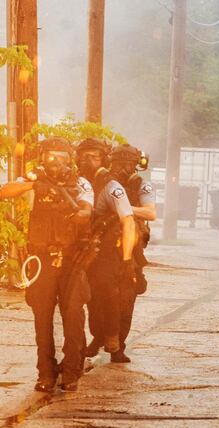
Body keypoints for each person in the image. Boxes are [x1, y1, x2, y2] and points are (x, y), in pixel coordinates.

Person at [0, 137, 93, 392]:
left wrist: (74, 211)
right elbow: (4, 191)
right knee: (42, 317)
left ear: (70, 160)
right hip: (41, 258)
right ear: (42, 158)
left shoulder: (80, 182)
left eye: (62, 157)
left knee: (73, 315)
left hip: (72, 258)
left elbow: (86, 211)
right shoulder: (33, 180)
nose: (56, 162)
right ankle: (46, 374)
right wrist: (34, 185)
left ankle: (72, 371)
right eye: (51, 156)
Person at [85, 144, 139, 359]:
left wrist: (127, 259)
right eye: (118, 162)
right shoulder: (84, 181)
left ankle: (116, 342)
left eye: (128, 163)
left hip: (125, 246)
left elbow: (143, 216)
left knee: (121, 298)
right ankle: (98, 337)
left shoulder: (135, 185)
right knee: (92, 298)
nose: (123, 168)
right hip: (94, 247)